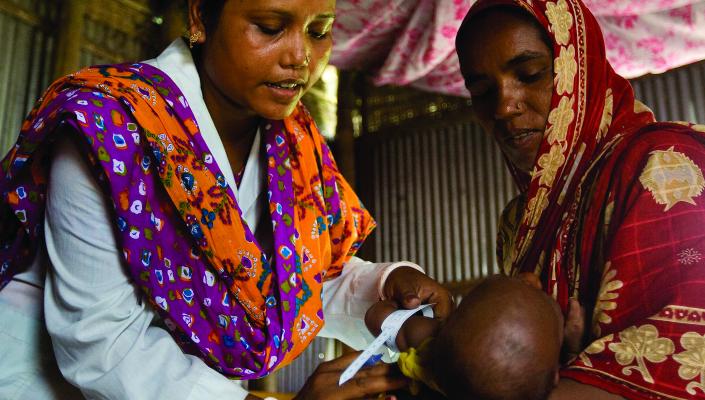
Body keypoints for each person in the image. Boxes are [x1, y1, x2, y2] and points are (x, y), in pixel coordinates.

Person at [0, 1, 453, 399]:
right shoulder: (110, 126)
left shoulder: (293, 143)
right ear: (201, 14)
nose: (301, 58)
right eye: (271, 26)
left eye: (319, 31)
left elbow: (300, 279)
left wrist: (382, 295)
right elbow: (103, 345)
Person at [455, 0, 705, 399]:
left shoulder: (667, 168)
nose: (503, 106)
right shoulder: (520, 221)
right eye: (482, 91)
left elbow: (684, 363)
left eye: (531, 74)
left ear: (580, 71)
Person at [366, 274, 578, 400]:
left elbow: (377, 317)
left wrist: (393, 305)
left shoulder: (431, 349)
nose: (532, 277)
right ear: (556, 378)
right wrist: (574, 349)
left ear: (447, 322)